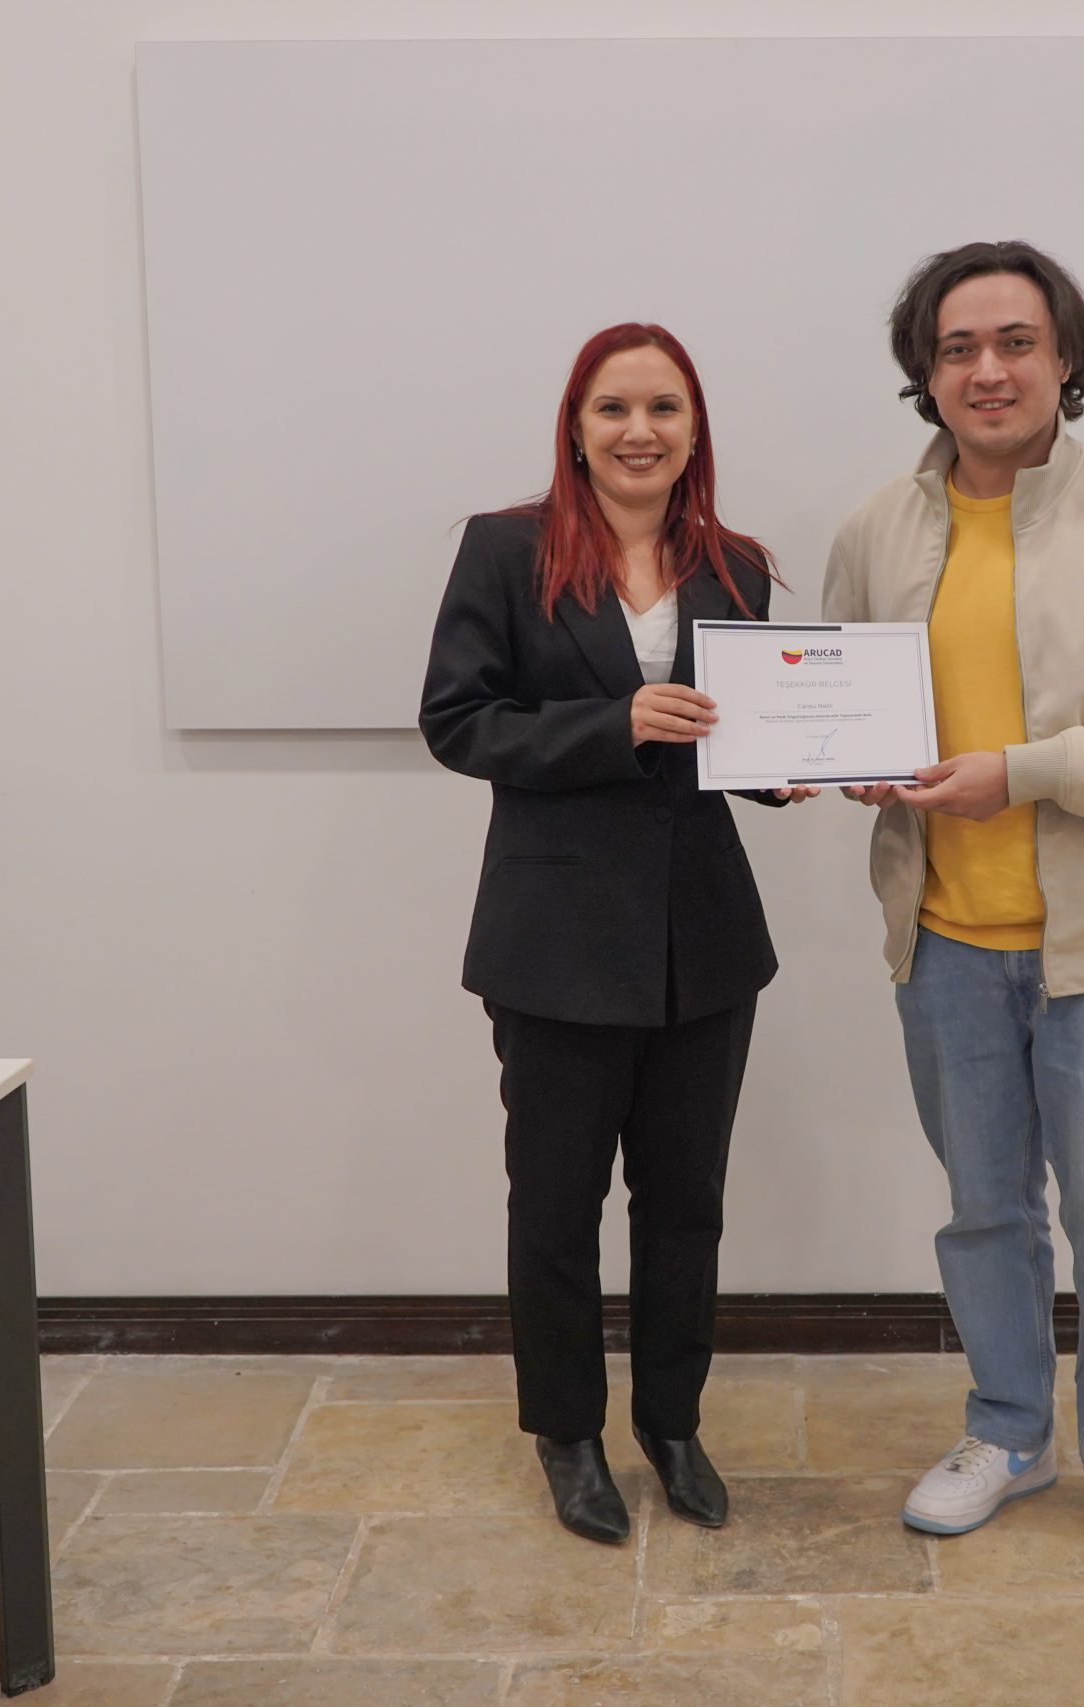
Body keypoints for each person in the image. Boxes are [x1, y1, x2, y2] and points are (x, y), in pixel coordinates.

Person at [821, 243, 1084, 1577]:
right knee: (985, 1212)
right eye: (957, 347)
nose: (987, 370)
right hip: (945, 941)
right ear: (925, 371)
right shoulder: (875, 531)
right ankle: (1008, 1431)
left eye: (1016, 341)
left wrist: (1019, 771)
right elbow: (846, 701)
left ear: (1067, 358)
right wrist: (839, 763)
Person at [421, 322, 813, 1544]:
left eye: (663, 408)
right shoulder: (506, 550)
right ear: (576, 428)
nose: (639, 431)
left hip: (704, 940)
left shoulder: (734, 564)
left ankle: (673, 1423)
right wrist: (616, 722)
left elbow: (731, 737)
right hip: (553, 940)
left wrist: (786, 769)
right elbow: (458, 723)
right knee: (554, 1204)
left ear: (694, 429)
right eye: (613, 408)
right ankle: (569, 1433)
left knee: (686, 1202)